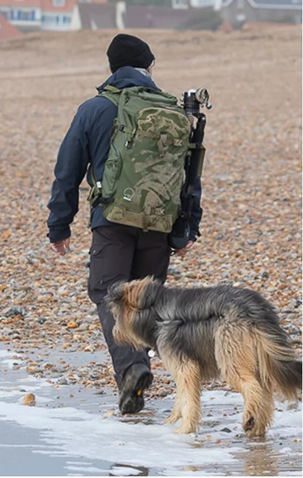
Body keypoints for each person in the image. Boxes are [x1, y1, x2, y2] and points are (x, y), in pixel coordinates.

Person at [46, 33, 202, 415]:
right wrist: (187, 229)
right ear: (148, 67)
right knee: (144, 302)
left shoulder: (94, 109)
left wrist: (59, 226)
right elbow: (190, 174)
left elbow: (67, 171)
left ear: (112, 68)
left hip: (112, 221)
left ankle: (133, 371)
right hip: (160, 223)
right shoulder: (173, 111)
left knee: (110, 296)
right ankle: (138, 376)